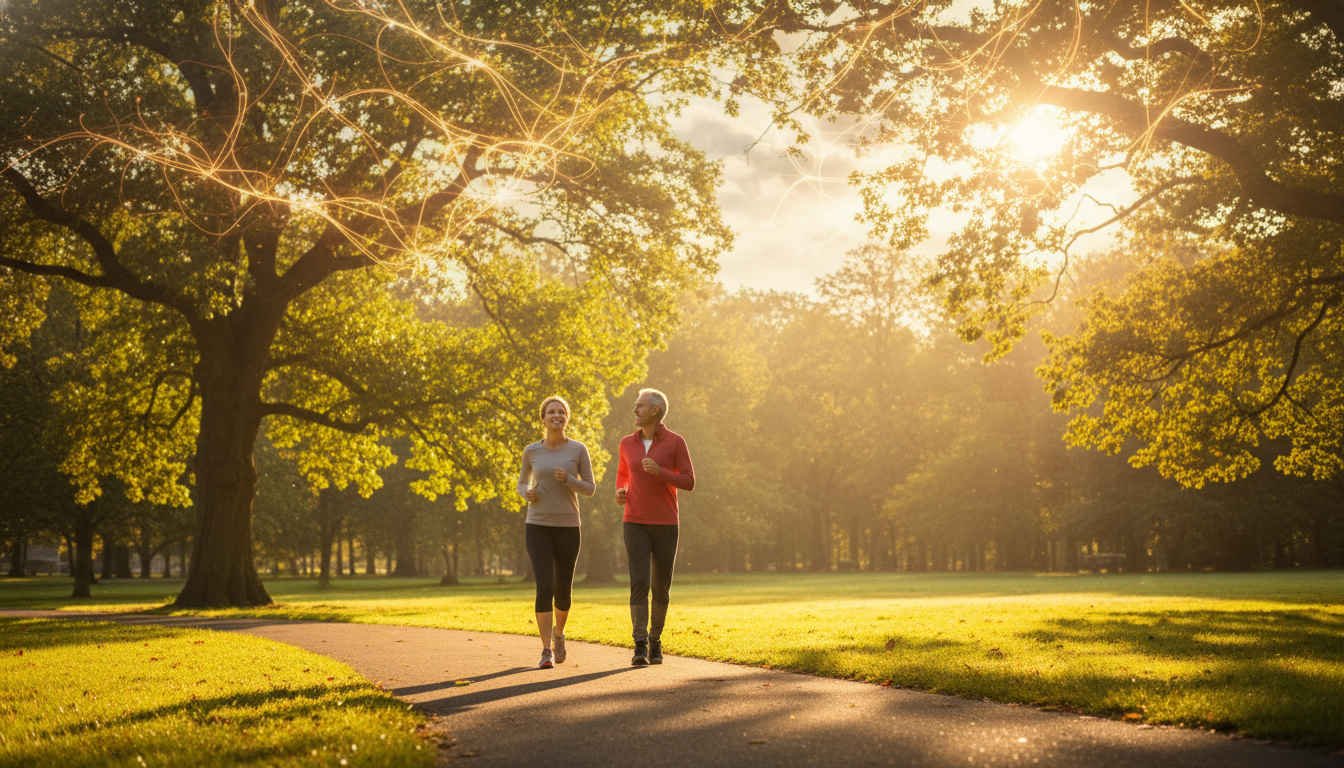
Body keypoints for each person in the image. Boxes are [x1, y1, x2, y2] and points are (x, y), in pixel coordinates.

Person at [615, 388, 695, 666]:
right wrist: (621, 492)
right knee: (639, 583)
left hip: (665, 522)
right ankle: (639, 645)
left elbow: (688, 481)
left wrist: (660, 472)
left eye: (640, 406)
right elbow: (623, 475)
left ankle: (655, 640)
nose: (634, 410)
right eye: (635, 405)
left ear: (655, 411)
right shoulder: (627, 443)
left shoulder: (675, 442)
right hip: (634, 521)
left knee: (661, 588)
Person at [517, 396, 595, 669]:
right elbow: (521, 482)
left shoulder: (578, 449)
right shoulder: (531, 451)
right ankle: (546, 649)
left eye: (561, 411)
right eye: (551, 412)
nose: (556, 415)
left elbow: (590, 488)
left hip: (568, 526)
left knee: (563, 591)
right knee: (544, 586)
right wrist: (526, 492)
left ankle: (559, 634)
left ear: (567, 417)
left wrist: (570, 480)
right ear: (543, 418)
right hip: (537, 524)